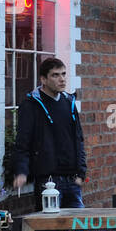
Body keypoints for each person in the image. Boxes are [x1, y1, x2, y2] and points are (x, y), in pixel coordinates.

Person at [13, 57, 87, 207]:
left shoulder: (69, 102)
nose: (62, 79)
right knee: (49, 228)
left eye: (64, 74)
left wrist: (81, 173)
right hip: (48, 182)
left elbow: (78, 139)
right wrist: (21, 172)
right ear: (43, 79)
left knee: (77, 227)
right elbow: (22, 143)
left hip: (73, 181)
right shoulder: (31, 105)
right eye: (55, 75)